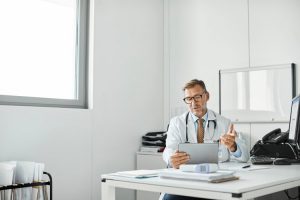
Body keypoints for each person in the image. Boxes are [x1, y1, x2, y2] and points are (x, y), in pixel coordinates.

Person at [162, 79, 249, 200]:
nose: (193, 103)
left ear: (206, 96)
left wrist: (233, 146)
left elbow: (244, 157)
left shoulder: (224, 123)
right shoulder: (177, 123)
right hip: (186, 180)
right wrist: (172, 159)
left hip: (215, 181)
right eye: (189, 99)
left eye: (197, 97)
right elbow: (169, 150)